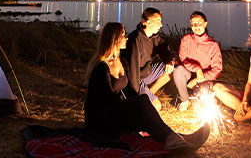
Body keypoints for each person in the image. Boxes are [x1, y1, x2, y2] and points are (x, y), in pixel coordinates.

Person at [85, 22, 209, 151]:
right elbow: (106, 102)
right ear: (114, 39)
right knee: (142, 101)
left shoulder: (122, 62)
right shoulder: (101, 67)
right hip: (101, 119)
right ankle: (172, 140)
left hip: (115, 111)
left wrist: (141, 109)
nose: (127, 37)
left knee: (142, 103)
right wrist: (136, 106)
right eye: (123, 35)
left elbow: (130, 92)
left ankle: (178, 137)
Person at [122, 7, 174, 110]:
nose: (161, 25)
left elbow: (165, 50)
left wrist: (170, 61)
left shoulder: (154, 37)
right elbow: (133, 71)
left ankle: (149, 92)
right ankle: (143, 97)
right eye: (158, 21)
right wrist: (134, 97)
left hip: (147, 73)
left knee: (172, 69)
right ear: (148, 22)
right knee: (156, 106)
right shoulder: (135, 40)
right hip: (136, 79)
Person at [172, 11, 222, 111]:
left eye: (199, 23)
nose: (196, 26)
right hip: (188, 74)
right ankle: (184, 100)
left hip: (204, 78)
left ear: (205, 23)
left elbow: (217, 69)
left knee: (202, 100)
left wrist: (199, 78)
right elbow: (183, 59)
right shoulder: (186, 39)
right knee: (178, 70)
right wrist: (197, 69)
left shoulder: (213, 45)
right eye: (193, 24)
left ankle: (203, 98)